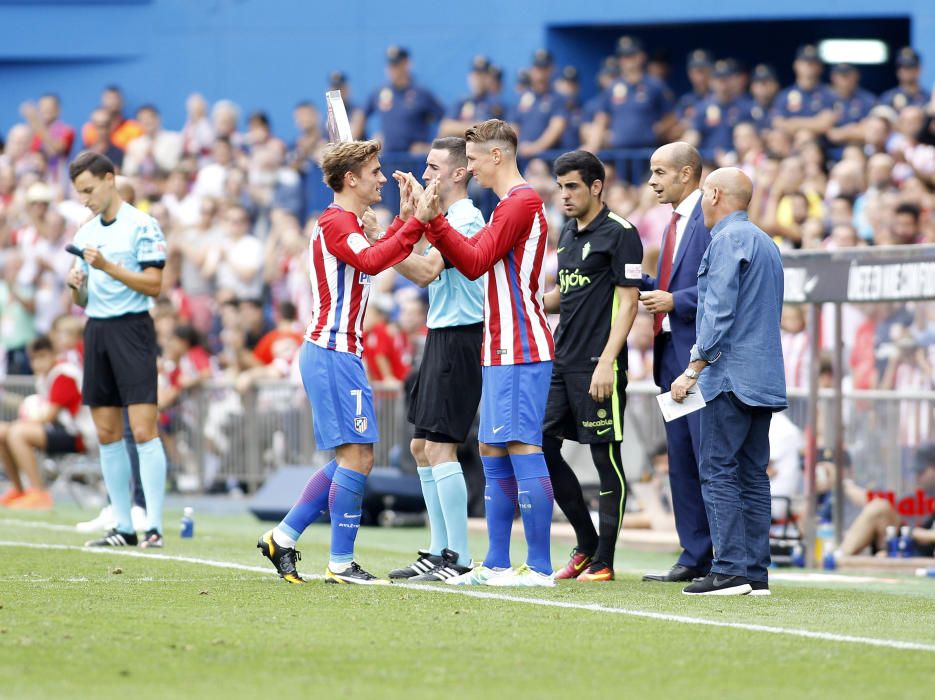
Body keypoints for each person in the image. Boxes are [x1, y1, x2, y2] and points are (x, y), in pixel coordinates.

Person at [256, 140, 426, 585]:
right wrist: (413, 225)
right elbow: (370, 258)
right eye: (374, 171)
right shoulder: (336, 222)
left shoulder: (343, 222)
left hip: (338, 351)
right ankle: (340, 563)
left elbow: (373, 256)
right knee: (358, 456)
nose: (383, 178)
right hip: (332, 351)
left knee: (352, 456)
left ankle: (283, 537)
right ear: (351, 178)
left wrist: (405, 223)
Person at [416, 118, 556, 587]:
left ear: (497, 156)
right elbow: (467, 256)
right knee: (492, 448)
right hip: (498, 346)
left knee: (521, 446)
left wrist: (432, 219)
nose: (469, 168)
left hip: (521, 342)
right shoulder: (504, 207)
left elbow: (473, 263)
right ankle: (495, 563)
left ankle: (538, 566)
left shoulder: (522, 203)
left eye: (473, 159)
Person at [671, 167, 787, 596]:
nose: (701, 203)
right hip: (765, 376)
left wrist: (693, 367)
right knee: (753, 474)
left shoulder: (725, 240)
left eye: (703, 194)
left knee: (717, 469)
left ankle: (730, 568)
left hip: (730, 378)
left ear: (714, 193)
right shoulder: (766, 242)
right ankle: (755, 572)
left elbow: (718, 311)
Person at [384, 137, 485, 582]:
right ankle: (438, 549)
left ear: (458, 173)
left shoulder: (465, 217)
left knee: (442, 446)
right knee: (421, 447)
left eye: (432, 167)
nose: (425, 175)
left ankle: (457, 557)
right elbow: (420, 251)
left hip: (461, 334)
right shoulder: (448, 217)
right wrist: (405, 220)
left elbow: (425, 271)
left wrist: (380, 243)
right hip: (441, 332)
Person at [540, 150, 643, 582]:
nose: (563, 195)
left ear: (596, 186)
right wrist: (526, 306)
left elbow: (629, 302)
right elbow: (568, 292)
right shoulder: (567, 232)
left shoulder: (622, 234)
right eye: (560, 187)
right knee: (541, 445)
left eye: (572, 187)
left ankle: (605, 560)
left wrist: (607, 362)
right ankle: (585, 543)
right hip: (562, 362)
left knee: (606, 460)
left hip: (599, 365)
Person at [66, 151, 168, 549]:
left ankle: (154, 525)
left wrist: (107, 267)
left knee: (143, 429)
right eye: (79, 192)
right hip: (97, 331)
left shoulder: (142, 226)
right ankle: (123, 526)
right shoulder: (84, 232)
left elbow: (153, 284)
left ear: (110, 179)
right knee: (107, 433)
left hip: (132, 329)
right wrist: (78, 286)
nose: (85, 198)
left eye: (89, 189)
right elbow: (81, 300)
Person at [639, 142, 713, 584]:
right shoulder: (673, 223)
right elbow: (670, 284)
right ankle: (694, 553)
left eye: (660, 172)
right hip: (670, 356)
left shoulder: (707, 219)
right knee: (681, 458)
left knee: (707, 458)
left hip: (699, 360)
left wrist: (675, 300)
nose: (652, 180)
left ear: (687, 173)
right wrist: (636, 279)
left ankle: (724, 555)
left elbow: (726, 289)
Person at [0, 336, 90, 509]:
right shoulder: (44, 378)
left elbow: (49, 416)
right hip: (57, 430)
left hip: (77, 435)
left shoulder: (63, 374)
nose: (38, 363)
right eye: (34, 359)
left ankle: (38, 492)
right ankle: (19, 490)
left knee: (18, 433)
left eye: (42, 357)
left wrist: (21, 423)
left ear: (53, 355)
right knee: (3, 431)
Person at [585, 35, 676, 152]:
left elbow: (672, 116)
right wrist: (592, 146)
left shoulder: (655, 84)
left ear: (641, 56)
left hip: (647, 152)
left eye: (630, 56)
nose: (626, 60)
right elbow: (602, 119)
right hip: (618, 153)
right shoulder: (612, 87)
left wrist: (656, 130)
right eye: (622, 56)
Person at [364, 46, 445, 154]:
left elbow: (446, 122)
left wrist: (431, 147)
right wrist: (367, 142)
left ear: (406, 64)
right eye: (390, 65)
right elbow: (361, 114)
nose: (392, 69)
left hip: (413, 160)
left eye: (396, 65)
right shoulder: (380, 92)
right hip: (388, 158)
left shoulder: (421, 93)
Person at [512, 49, 567, 158]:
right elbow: (513, 126)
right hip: (520, 156)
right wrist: (518, 147)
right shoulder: (524, 97)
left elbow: (557, 127)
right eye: (537, 68)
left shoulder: (558, 98)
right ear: (531, 69)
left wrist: (535, 148)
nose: (540, 73)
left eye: (544, 68)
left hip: (546, 158)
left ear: (551, 69)